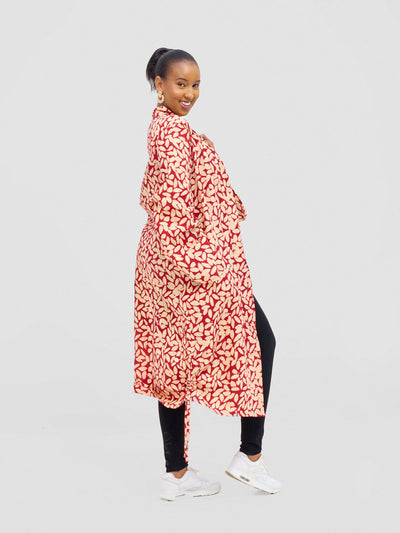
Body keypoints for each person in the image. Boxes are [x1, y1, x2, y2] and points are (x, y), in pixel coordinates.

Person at [133, 47, 281, 501]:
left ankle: (176, 475)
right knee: (260, 341)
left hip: (163, 267)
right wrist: (209, 269)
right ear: (159, 84)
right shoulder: (173, 138)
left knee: (172, 361)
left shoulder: (167, 130)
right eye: (181, 84)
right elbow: (173, 213)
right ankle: (249, 456)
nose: (190, 93)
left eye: (196, 85)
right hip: (190, 268)